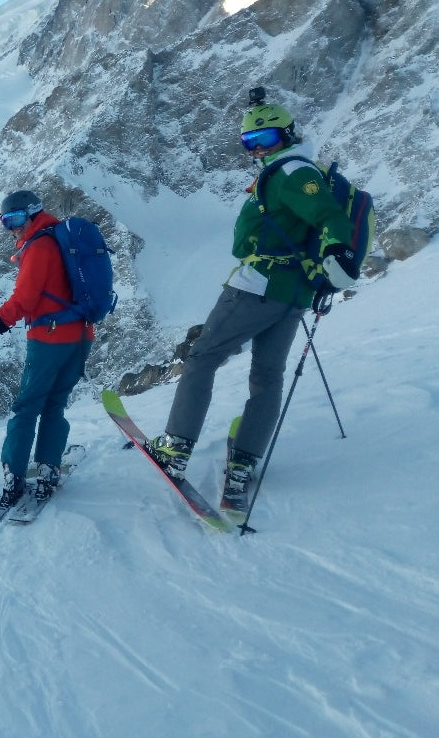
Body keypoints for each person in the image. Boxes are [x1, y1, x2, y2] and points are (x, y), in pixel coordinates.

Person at [146, 92, 356, 510]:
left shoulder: (293, 172)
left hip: (258, 286)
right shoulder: (289, 169)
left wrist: (339, 254)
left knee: (203, 357)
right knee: (268, 375)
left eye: (264, 137)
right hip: (293, 293)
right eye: (249, 141)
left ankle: (175, 447)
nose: (256, 147)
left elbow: (328, 215)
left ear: (286, 134)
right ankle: (243, 462)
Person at [0, 190, 93, 508]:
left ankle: (15, 477)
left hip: (50, 339)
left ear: (34, 214)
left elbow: (25, 299)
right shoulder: (60, 240)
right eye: (6, 222)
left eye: (18, 219)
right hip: (80, 337)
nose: (13, 228)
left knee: (26, 409)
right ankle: (49, 469)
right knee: (53, 406)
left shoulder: (40, 247)